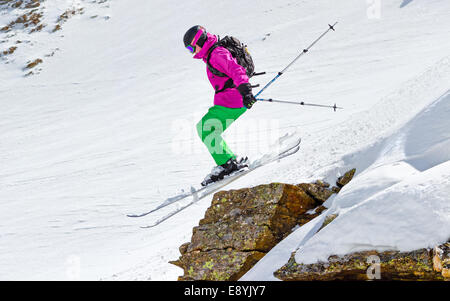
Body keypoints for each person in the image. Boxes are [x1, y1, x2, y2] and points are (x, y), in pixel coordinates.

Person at [183, 25, 257, 186]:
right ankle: (227, 161)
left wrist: (245, 90)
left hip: (233, 100)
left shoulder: (217, 54)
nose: (191, 51)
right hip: (229, 100)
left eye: (191, 47)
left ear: (198, 41)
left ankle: (228, 164)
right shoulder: (211, 54)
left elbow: (236, 70)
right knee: (207, 129)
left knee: (206, 128)